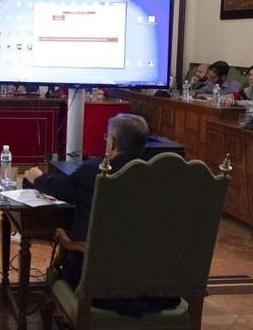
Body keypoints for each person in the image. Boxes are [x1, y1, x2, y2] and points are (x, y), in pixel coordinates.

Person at [23, 114, 180, 317]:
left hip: (100, 288)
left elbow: (60, 187)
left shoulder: (95, 173)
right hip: (158, 290)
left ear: (111, 142)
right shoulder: (161, 179)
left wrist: (38, 177)